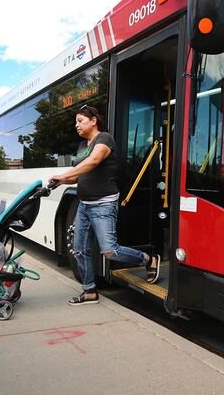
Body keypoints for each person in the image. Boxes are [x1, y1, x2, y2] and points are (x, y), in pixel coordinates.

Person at [49, 104, 160, 305]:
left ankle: (147, 259)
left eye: (80, 121)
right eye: (76, 122)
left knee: (110, 251)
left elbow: (93, 162)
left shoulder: (104, 139)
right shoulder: (82, 146)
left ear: (93, 121)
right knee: (80, 249)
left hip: (103, 204)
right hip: (84, 205)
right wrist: (61, 181)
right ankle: (89, 290)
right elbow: (79, 176)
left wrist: (63, 174)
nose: (77, 125)